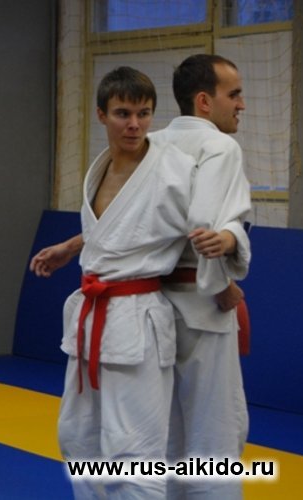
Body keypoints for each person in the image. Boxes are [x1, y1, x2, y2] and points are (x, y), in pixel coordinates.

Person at [33, 67, 227, 499]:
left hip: (137, 320)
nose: (135, 124)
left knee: (134, 452)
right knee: (77, 438)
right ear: (101, 115)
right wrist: (70, 246)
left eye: (144, 113)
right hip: (92, 318)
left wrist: (225, 265)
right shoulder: (100, 169)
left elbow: (206, 227)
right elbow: (118, 231)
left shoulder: (173, 170)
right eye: (123, 113)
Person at [149, 54, 252, 500]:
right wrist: (223, 276)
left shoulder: (150, 143)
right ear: (205, 102)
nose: (242, 104)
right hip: (202, 304)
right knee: (216, 428)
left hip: (149, 304)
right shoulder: (220, 147)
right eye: (235, 94)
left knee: (166, 426)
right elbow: (202, 224)